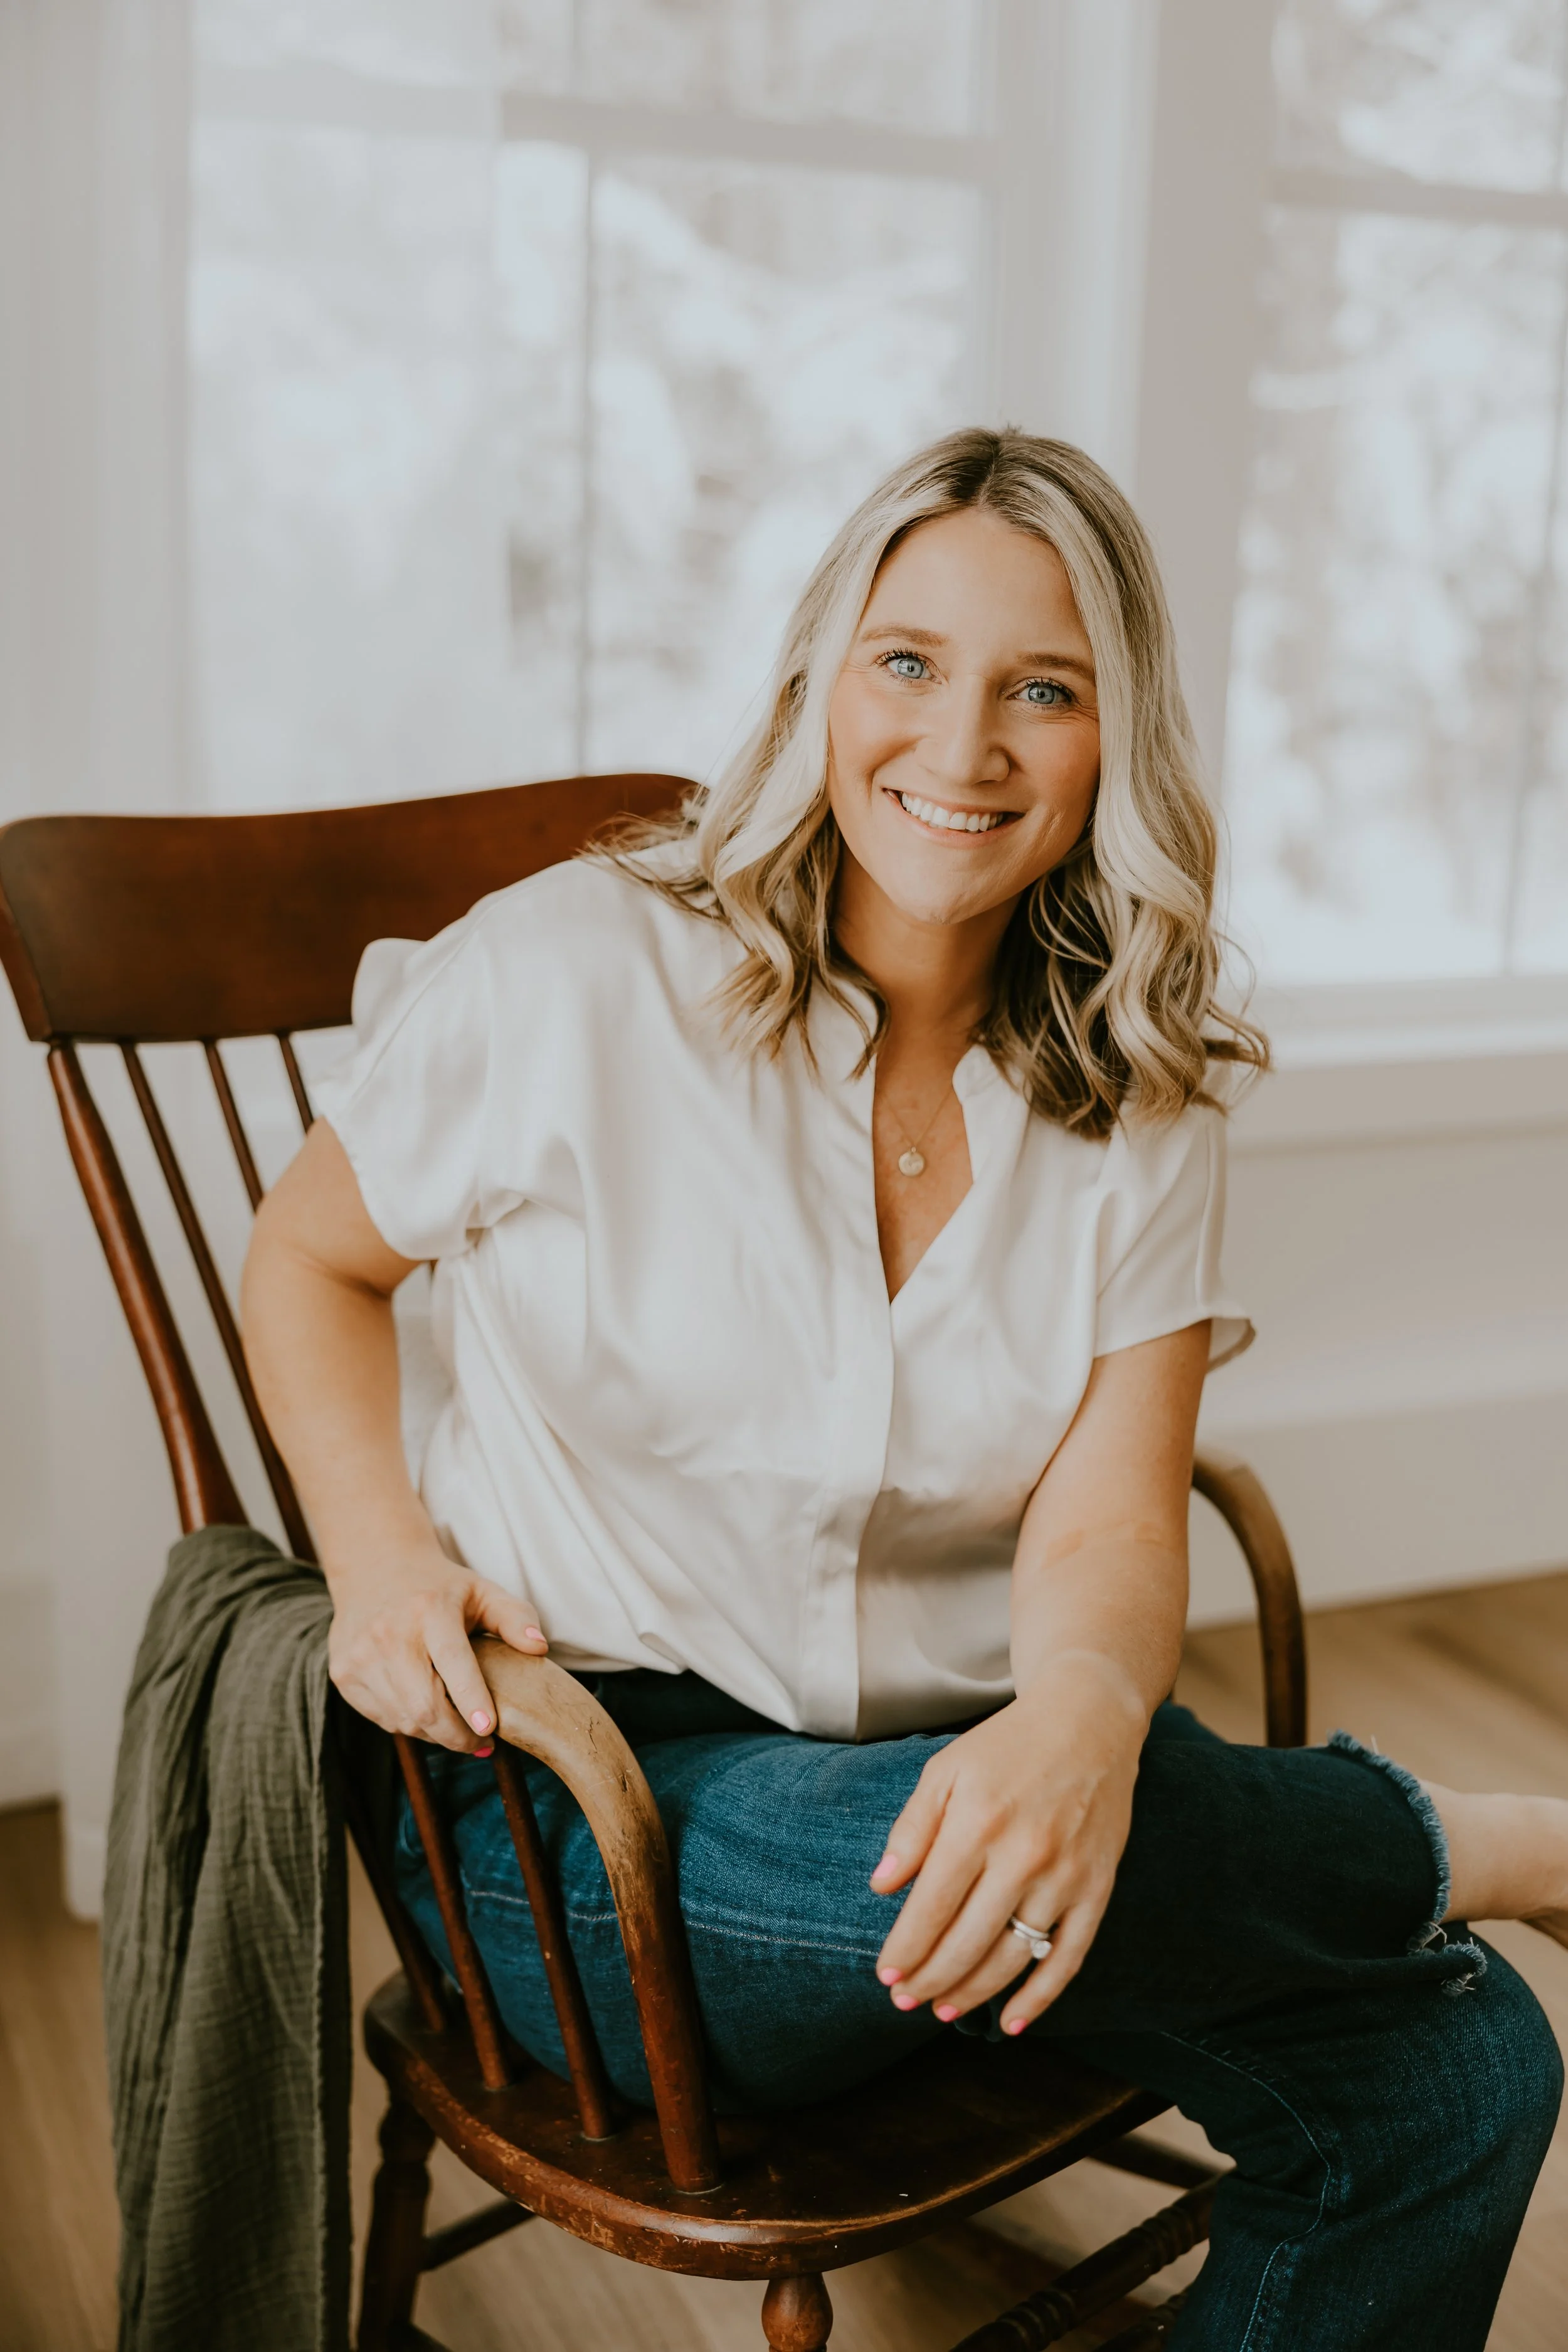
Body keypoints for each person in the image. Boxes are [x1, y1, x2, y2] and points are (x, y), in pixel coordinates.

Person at [242, 429, 1565, 2349]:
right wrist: (374, 1559)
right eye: (909, 663)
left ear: (1119, 740)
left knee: (1458, 2064)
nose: (963, 747)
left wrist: (1088, 1719)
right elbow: (312, 1253)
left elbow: (1111, 1511)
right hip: (579, 1804)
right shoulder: (580, 973)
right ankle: (1490, 1839)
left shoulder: (1143, 1078)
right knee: (970, 1865)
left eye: (1044, 687)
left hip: (961, 1784)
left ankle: (1248, 1834)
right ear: (816, 681)